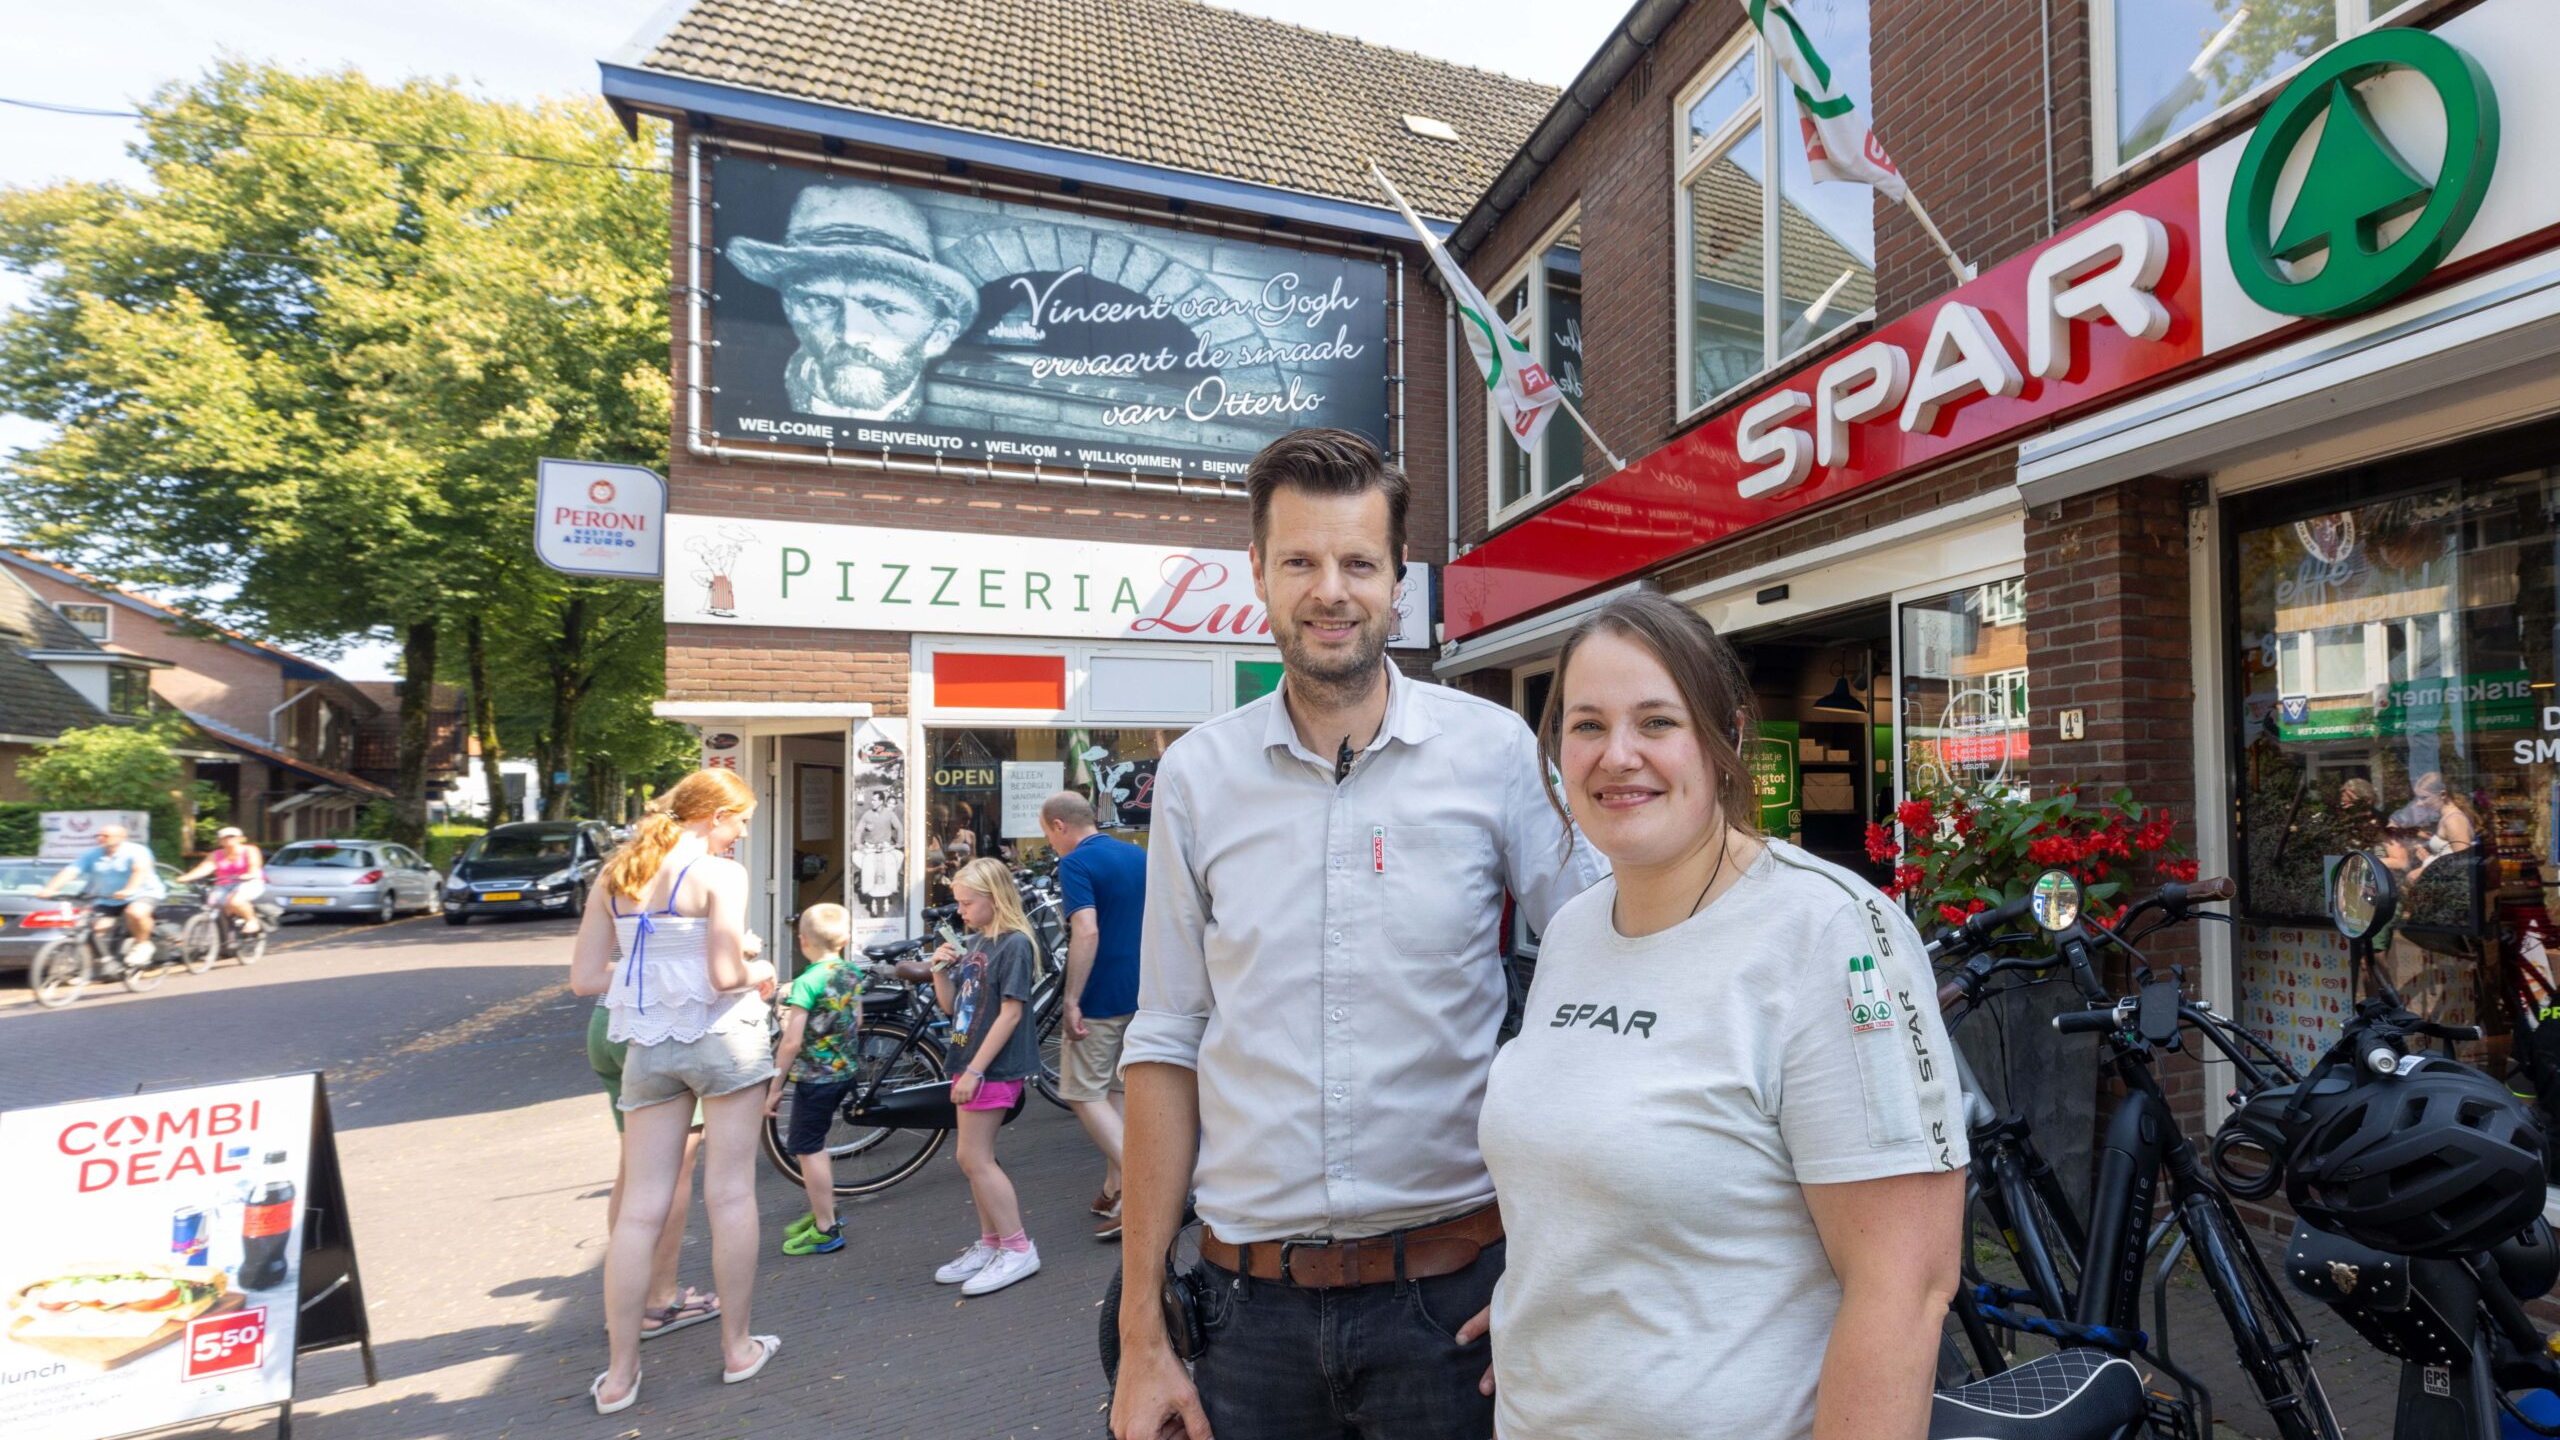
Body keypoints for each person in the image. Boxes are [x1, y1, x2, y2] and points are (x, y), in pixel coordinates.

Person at [1113, 428, 1607, 1440]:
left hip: (1456, 1308)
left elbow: (1602, 966)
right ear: (1256, 571)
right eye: (1299, 560)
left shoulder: (1493, 751)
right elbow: (1164, 1043)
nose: (1328, 589)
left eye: (1356, 563)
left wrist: (1565, 1259)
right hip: (1245, 1317)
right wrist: (1141, 1333)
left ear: (1398, 583)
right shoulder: (1197, 779)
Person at [1476, 593, 1966, 1440]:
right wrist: (1550, 1314)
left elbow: (1906, 1291)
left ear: (1728, 738)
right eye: (1587, 725)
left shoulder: (1829, 934)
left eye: (1657, 722)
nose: (1617, 756)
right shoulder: (1572, 931)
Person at [569, 769, 782, 1414]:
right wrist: (763, 966)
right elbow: (724, 974)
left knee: (639, 1207)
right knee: (730, 1193)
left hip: (647, 1043)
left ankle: (618, 1375)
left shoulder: (618, 874)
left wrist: (656, 955)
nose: (742, 834)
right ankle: (738, 1349)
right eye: (740, 821)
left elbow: (584, 978)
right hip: (722, 1041)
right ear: (713, 815)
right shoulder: (720, 875)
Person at [726, 183, 979, 421]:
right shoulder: (740, 394)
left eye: (887, 309)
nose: (849, 336)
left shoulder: (965, 423)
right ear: (788, 307)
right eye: (820, 301)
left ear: (938, 336)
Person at [926, 856, 1045, 1296]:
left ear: (994, 900)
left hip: (987, 1066)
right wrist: (940, 972)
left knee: (974, 1159)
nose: (960, 910)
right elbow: (953, 1007)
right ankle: (994, 1242)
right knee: (974, 1159)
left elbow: (1012, 1013)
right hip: (970, 1061)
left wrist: (976, 1068)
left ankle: (1015, 1247)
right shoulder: (981, 942)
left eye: (967, 902)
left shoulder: (1013, 944)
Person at [1038, 789, 1145, 1240]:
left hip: (1101, 994)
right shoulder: (1137, 855)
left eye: (1048, 835)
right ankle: (1116, 1187)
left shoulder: (1075, 864)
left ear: (1060, 826)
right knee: (1115, 1092)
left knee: (1081, 1093)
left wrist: (1071, 999)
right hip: (1143, 991)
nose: (1051, 845)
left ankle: (1145, 1188)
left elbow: (1086, 930)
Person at [585, 1004, 718, 1341]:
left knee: (632, 1169)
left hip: (607, 1020)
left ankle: (624, 1306)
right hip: (663, 1027)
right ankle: (659, 1299)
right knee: (673, 1173)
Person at [765, 903, 864, 1255]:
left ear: (802, 941)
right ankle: (823, 1209)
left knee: (809, 1149)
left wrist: (775, 1087)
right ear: (845, 940)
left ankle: (826, 1227)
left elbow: (791, 1041)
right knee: (815, 1144)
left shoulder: (806, 982)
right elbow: (859, 1020)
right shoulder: (851, 973)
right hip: (846, 1071)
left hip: (814, 1078)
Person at [38, 823, 165, 966]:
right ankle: (101, 963)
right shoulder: (92, 854)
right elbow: (71, 871)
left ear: (121, 837)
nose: (100, 838)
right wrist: (49, 889)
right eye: (98, 835)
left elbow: (140, 870)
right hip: (108, 898)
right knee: (95, 928)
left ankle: (143, 944)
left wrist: (129, 889)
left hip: (143, 892)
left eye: (105, 836)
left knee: (135, 912)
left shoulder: (137, 851)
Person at [176, 826, 266, 936]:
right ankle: (225, 936)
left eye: (232, 837)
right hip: (223, 885)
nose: (228, 840)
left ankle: (252, 921)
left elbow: (255, 866)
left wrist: (249, 874)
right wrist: (185, 878)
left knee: (235, 901)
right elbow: (204, 868)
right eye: (224, 838)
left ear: (240, 839)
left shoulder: (250, 850)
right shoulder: (216, 854)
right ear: (220, 841)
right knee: (212, 904)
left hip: (249, 882)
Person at [852, 788, 903, 918]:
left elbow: (899, 827)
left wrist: (898, 843)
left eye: (874, 800)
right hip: (870, 847)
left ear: (881, 801)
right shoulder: (867, 814)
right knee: (857, 857)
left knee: (898, 857)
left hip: (885, 847)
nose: (872, 802)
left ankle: (892, 886)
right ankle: (867, 887)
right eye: (871, 800)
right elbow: (858, 829)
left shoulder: (889, 814)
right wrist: (858, 844)